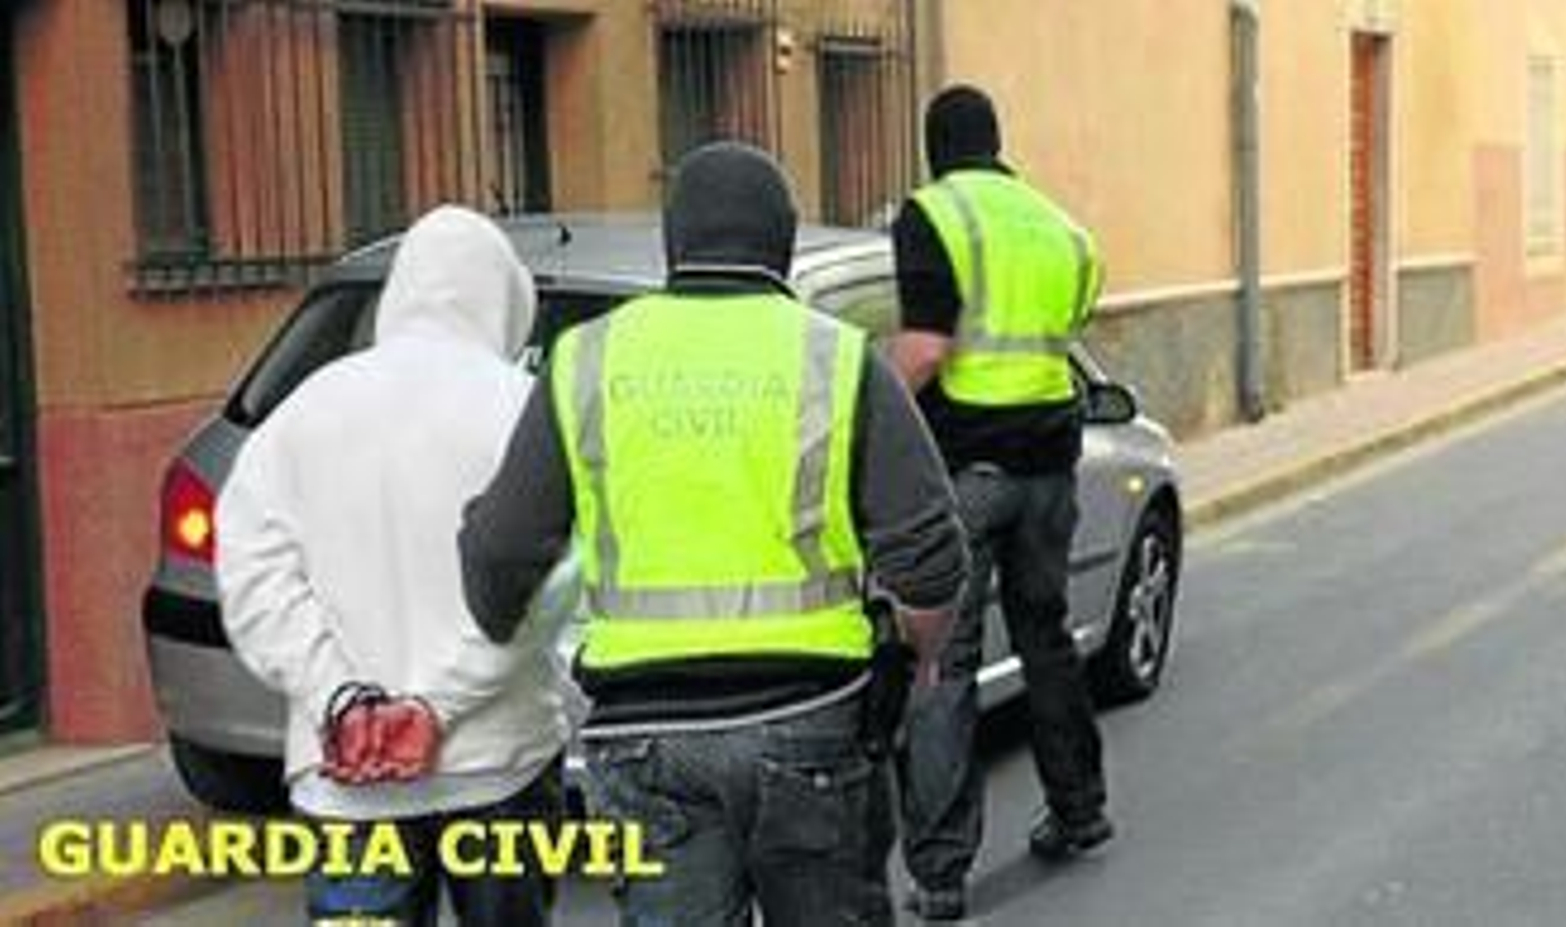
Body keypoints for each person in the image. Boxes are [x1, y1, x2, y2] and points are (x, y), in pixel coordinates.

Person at [458, 141, 968, 927]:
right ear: (783, 246)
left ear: (674, 243)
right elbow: (930, 553)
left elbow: (500, 549)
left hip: (644, 732)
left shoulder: (584, 358)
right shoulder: (838, 357)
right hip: (811, 716)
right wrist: (919, 656)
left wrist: (498, 623)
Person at [216, 205, 577, 926]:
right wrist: (434, 707)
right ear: (505, 300)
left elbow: (255, 583)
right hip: (498, 761)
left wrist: (342, 700)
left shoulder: (302, 414)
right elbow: (550, 586)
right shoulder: (524, 411)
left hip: (346, 777)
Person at [888, 85, 1114, 921]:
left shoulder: (933, 214)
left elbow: (924, 350)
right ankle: (1080, 807)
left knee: (942, 664)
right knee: (1045, 636)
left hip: (969, 471)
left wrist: (866, 412)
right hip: (1051, 469)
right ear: (996, 142)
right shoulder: (1060, 227)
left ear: (934, 148)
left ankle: (941, 873)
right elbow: (1070, 325)